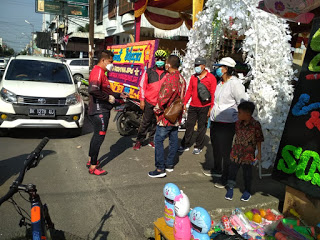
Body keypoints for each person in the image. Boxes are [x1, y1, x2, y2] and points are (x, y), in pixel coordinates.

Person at [206, 57, 248, 187]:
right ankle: (217, 169)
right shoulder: (220, 83)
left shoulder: (235, 84)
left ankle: (226, 177)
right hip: (216, 121)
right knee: (216, 147)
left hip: (227, 123)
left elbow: (242, 102)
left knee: (225, 151)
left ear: (226, 69)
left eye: (220, 67)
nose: (218, 69)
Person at [87, 50, 128, 175]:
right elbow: (93, 90)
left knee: (96, 137)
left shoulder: (101, 72)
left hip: (99, 109)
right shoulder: (98, 71)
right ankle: (93, 167)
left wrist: (118, 95)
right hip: (100, 110)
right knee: (99, 137)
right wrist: (108, 98)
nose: (112, 64)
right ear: (103, 60)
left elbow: (104, 90)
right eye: (111, 61)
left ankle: (91, 160)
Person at [148, 55, 186, 178]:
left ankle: (160, 169)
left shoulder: (170, 78)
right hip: (176, 115)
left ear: (168, 65)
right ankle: (169, 164)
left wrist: (157, 109)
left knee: (158, 140)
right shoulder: (181, 78)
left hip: (166, 116)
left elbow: (163, 97)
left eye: (166, 63)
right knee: (173, 139)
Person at [225, 101, 264, 201]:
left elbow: (259, 139)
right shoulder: (237, 123)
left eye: (239, 113)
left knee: (247, 173)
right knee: (232, 171)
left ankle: (247, 191)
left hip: (248, 154)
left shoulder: (255, 125)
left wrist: (259, 153)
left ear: (247, 114)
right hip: (236, 152)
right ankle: (230, 188)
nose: (238, 114)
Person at [178, 57, 217, 155]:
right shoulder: (193, 77)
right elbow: (189, 91)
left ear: (203, 66)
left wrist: (211, 108)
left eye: (198, 65)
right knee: (189, 125)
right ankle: (185, 144)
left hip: (205, 107)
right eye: (195, 65)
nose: (196, 67)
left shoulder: (211, 78)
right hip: (193, 106)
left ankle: (198, 146)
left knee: (201, 127)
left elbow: (213, 94)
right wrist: (184, 103)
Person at [133, 50, 168, 150]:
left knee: (156, 123)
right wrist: (142, 100)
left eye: (162, 59)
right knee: (145, 122)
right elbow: (142, 86)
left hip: (160, 103)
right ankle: (139, 140)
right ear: (155, 60)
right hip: (149, 101)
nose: (160, 61)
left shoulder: (167, 73)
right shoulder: (148, 71)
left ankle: (151, 140)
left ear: (165, 60)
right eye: (158, 59)